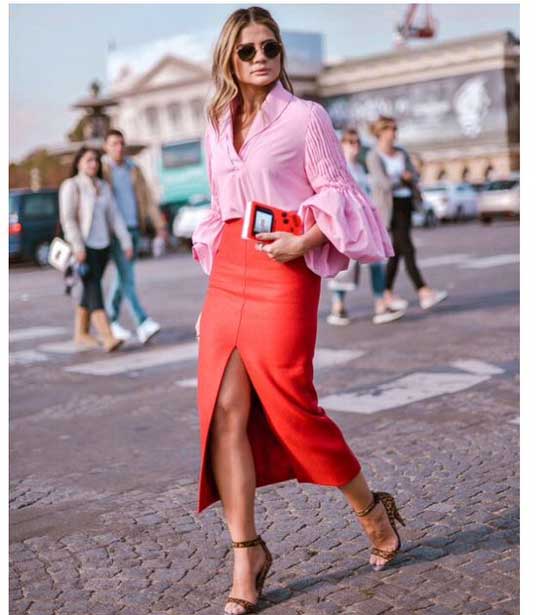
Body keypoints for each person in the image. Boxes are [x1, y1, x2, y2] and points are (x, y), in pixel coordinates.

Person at [191, 8, 407, 614]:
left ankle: (370, 509)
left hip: (283, 268)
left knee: (293, 406)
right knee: (223, 414)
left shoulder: (307, 117)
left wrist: (306, 241)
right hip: (229, 272)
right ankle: (247, 553)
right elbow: (218, 207)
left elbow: (339, 193)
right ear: (229, 59)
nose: (261, 57)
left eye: (270, 47)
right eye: (247, 50)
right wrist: (213, 294)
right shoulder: (216, 121)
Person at [367, 116, 448, 310]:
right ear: (381, 132)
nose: (395, 133)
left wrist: (407, 178)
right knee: (408, 248)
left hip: (406, 203)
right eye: (391, 129)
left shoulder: (401, 152)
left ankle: (386, 293)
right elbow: (383, 184)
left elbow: (415, 174)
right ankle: (423, 291)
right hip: (390, 206)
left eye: (396, 129)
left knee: (397, 251)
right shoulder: (374, 156)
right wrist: (403, 180)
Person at [327, 128, 405, 326]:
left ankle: (380, 304)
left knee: (376, 262)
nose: (355, 146)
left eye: (357, 142)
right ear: (341, 144)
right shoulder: (338, 167)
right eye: (350, 142)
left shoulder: (361, 169)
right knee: (344, 267)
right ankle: (338, 307)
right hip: (346, 223)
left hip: (364, 221)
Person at [59, 146, 133, 352]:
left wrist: (126, 242)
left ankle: (81, 333)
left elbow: (115, 217)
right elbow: (68, 219)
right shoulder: (72, 186)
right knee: (94, 289)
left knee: (91, 288)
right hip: (84, 247)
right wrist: (77, 246)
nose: (93, 164)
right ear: (79, 163)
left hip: (102, 246)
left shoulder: (103, 186)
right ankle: (107, 336)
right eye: (89, 160)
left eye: (96, 161)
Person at [102, 129, 168, 344]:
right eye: (113, 144)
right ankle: (142, 322)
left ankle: (110, 320)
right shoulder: (102, 171)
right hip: (116, 232)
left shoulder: (134, 169)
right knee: (127, 278)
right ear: (106, 147)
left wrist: (159, 225)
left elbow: (147, 198)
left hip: (134, 228)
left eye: (121, 143)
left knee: (123, 277)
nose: (118, 147)